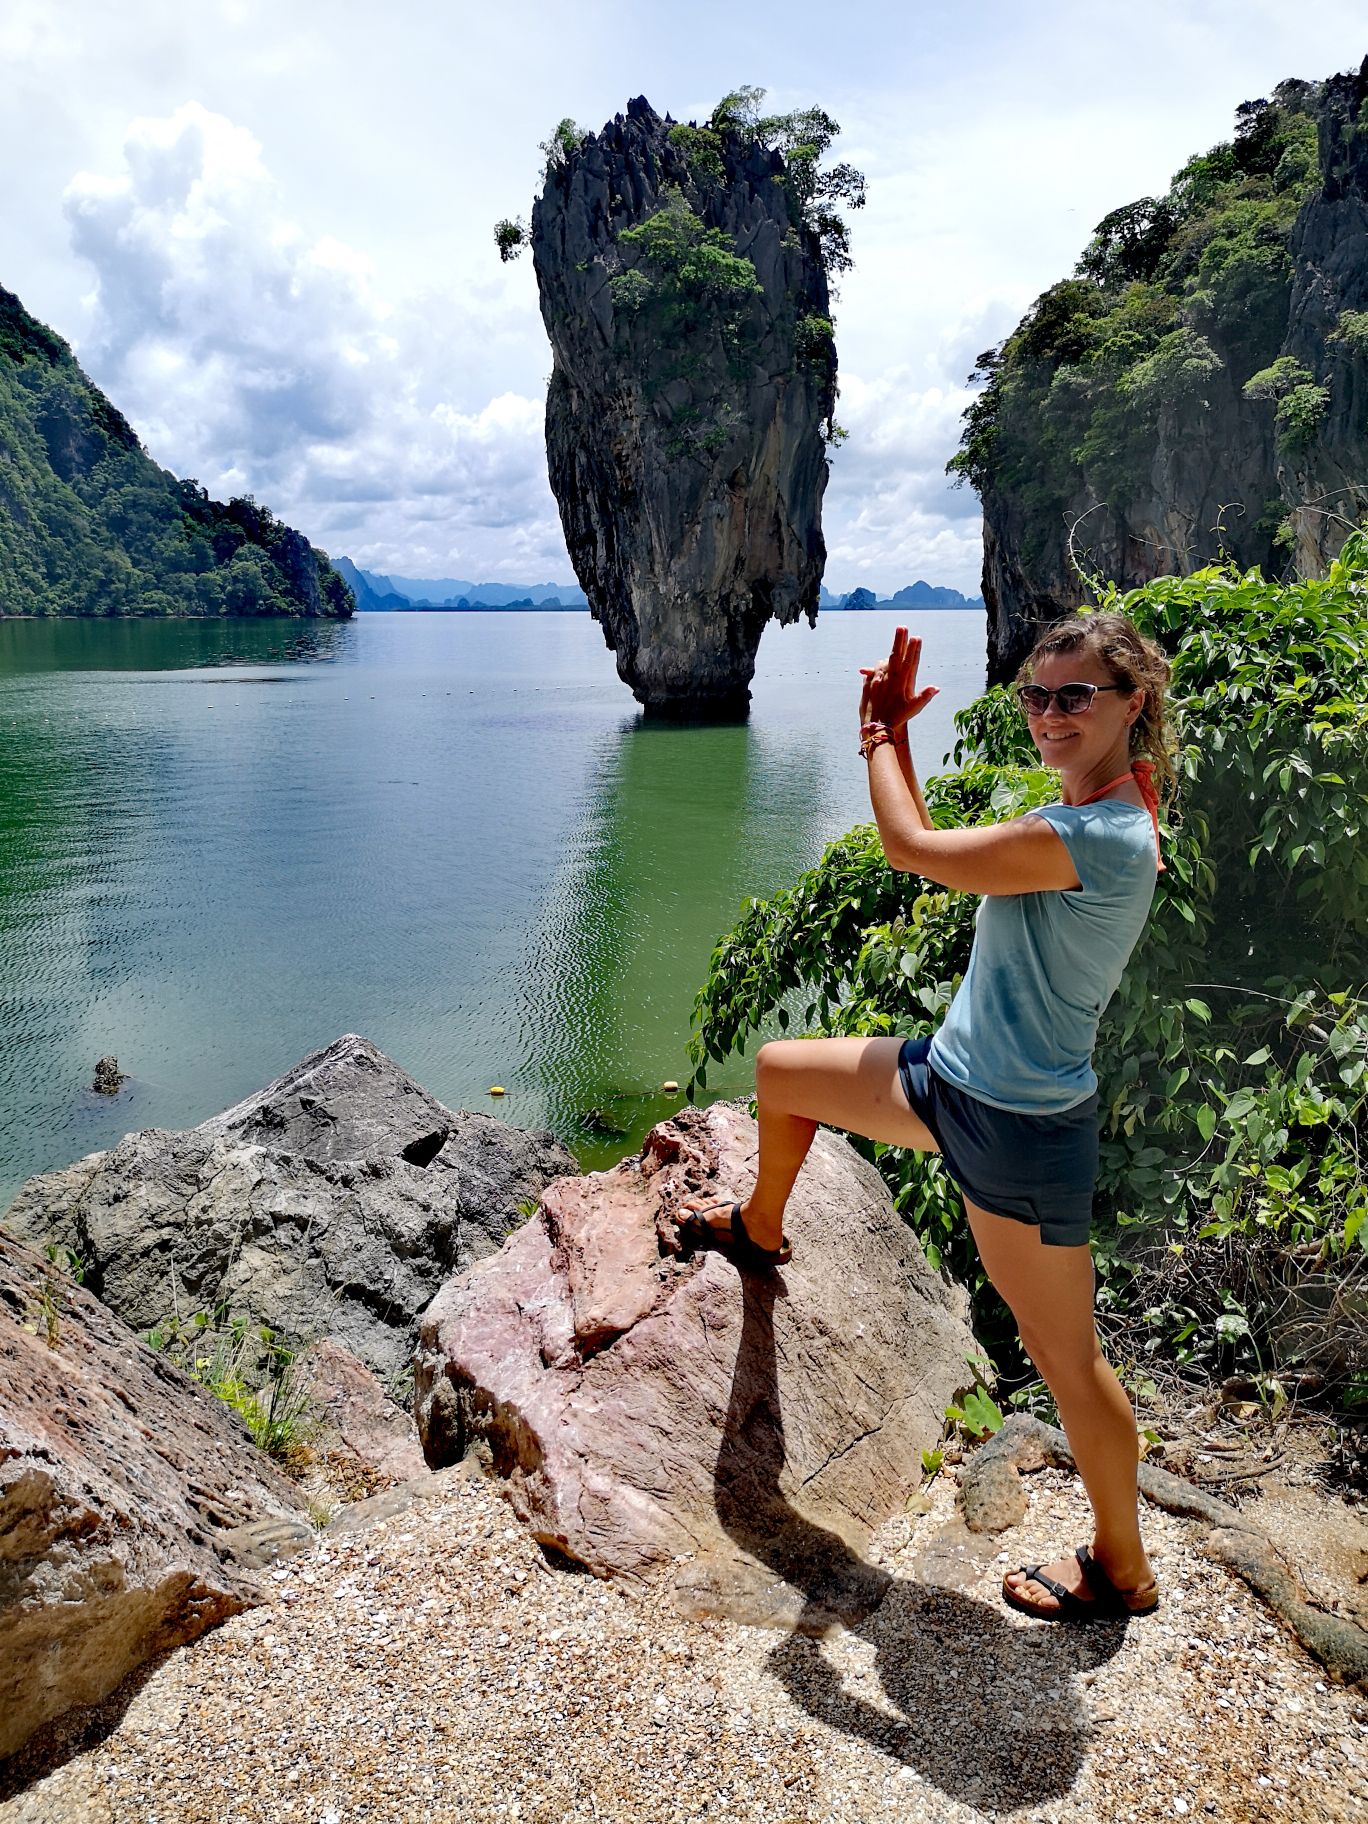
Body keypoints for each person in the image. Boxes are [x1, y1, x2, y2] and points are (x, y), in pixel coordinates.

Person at [676, 612, 1175, 1623]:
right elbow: (942, 846)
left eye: (1076, 695)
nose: (1049, 714)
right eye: (1036, 696)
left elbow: (910, 849)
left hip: (1019, 1129)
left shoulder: (1100, 837)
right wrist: (900, 736)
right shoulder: (1089, 808)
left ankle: (1122, 1568)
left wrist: (876, 732)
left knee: (1067, 1362)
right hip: (949, 1081)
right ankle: (761, 1226)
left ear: (1133, 703)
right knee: (781, 1072)